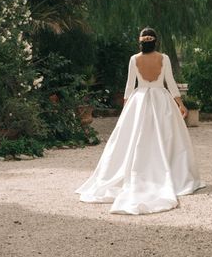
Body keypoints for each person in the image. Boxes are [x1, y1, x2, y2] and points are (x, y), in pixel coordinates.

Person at [76, 27, 204, 214]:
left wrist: (126, 109)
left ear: (141, 42)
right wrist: (180, 104)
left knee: (134, 136)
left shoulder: (134, 59)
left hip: (139, 100)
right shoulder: (165, 58)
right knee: (166, 136)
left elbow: (129, 86)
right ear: (155, 41)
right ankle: (171, 173)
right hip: (162, 100)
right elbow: (171, 82)